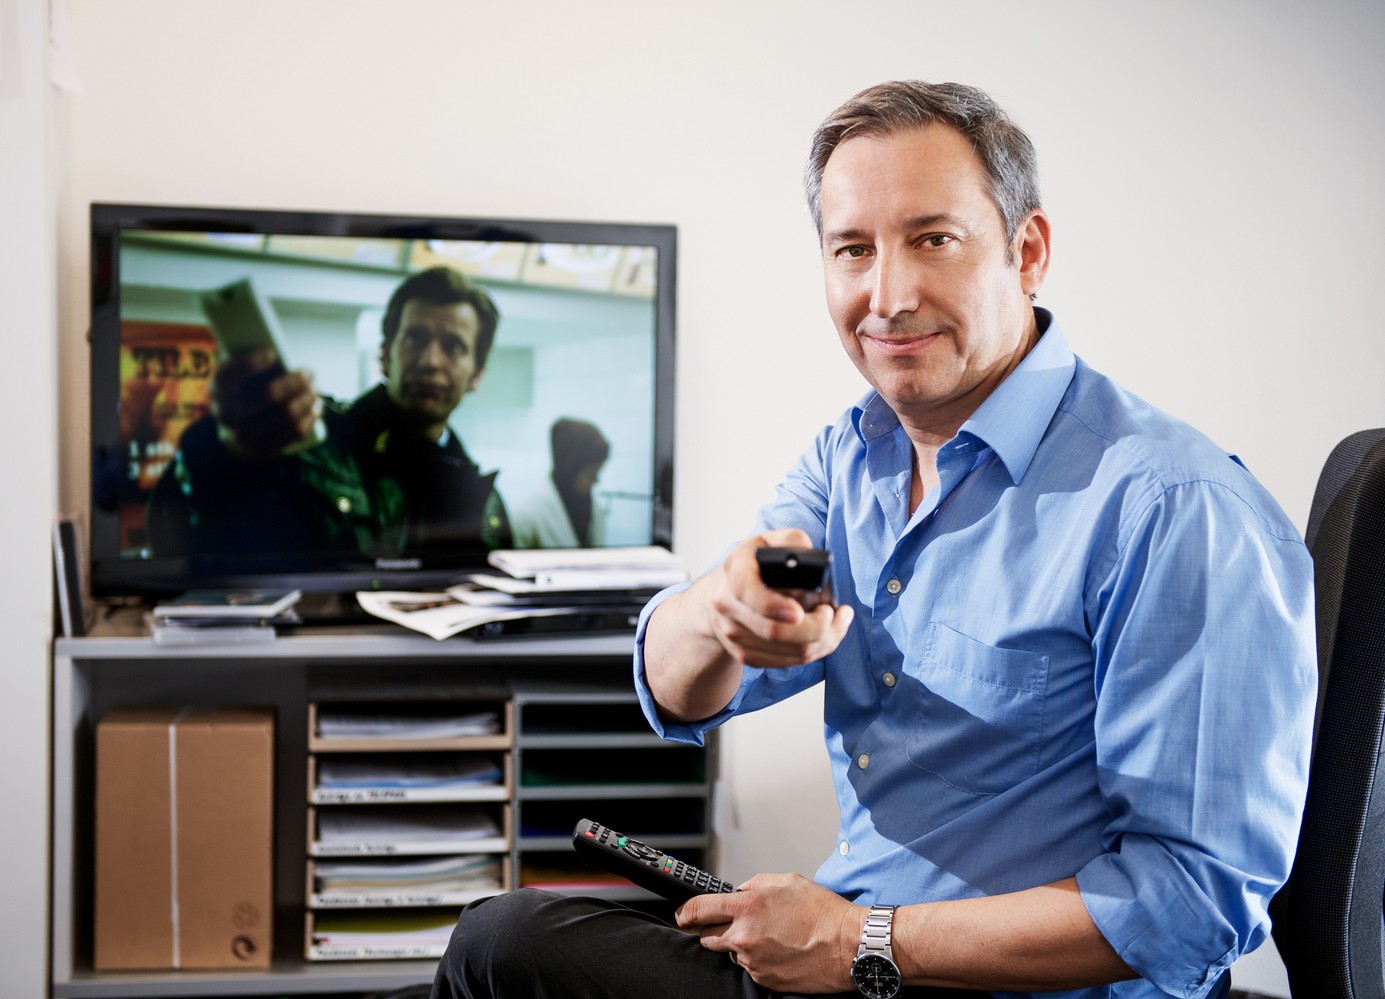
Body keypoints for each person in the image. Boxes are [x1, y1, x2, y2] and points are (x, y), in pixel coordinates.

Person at [429, 82, 1317, 999]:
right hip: (859, 952)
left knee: (504, 947)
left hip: (992, 982)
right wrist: (722, 610)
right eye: (852, 249)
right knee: (501, 942)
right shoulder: (852, 455)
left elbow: (1192, 903)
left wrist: (865, 936)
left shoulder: (1176, 509)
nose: (886, 296)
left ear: (1027, 251)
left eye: (932, 239)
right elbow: (678, 691)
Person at [146, 266, 510, 559]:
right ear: (385, 354)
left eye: (453, 347)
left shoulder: (483, 498)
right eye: (414, 338)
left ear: (476, 374)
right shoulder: (304, 439)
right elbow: (179, 546)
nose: (431, 362)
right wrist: (229, 453)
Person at [510, 417, 611, 548]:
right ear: (570, 471)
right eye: (590, 474)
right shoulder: (527, 514)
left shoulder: (595, 511)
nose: (596, 481)